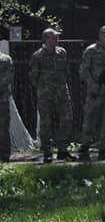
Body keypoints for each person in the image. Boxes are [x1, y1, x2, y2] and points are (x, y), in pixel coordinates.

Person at [29, 28, 75, 163]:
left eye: (57, 38)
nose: (56, 40)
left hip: (61, 92)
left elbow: (65, 71)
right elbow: (33, 76)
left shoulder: (62, 53)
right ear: (46, 39)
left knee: (67, 119)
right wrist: (42, 89)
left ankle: (63, 150)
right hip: (46, 94)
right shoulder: (38, 56)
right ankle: (47, 152)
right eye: (53, 38)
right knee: (46, 123)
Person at [78, 25, 105, 161]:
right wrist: (93, 84)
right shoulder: (91, 51)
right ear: (100, 36)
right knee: (90, 118)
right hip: (96, 90)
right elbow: (83, 71)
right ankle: (85, 146)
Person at [0, 49, 12, 162]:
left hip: (2, 99)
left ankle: (4, 155)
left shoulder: (4, 59)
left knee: (3, 127)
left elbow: (7, 78)